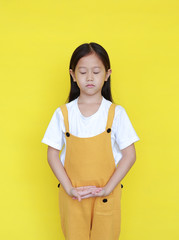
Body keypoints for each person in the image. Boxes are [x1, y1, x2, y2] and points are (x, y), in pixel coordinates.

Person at [41, 42, 140, 240]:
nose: (89, 77)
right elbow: (52, 154)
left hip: (106, 196)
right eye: (83, 71)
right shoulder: (63, 113)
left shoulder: (116, 113)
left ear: (107, 74)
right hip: (72, 196)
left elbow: (130, 155)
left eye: (96, 71)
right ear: (72, 75)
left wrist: (108, 188)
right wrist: (68, 187)